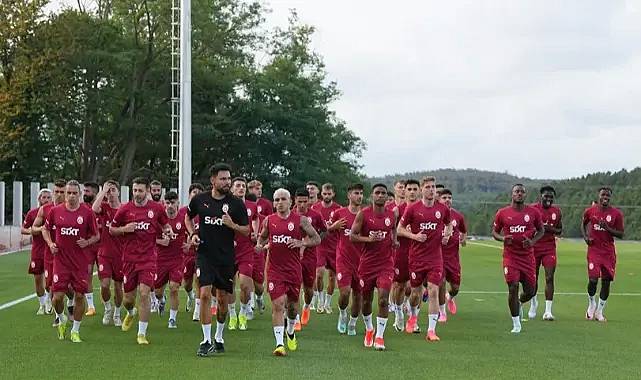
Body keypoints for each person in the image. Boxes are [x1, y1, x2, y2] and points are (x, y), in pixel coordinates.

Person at [185, 163, 249, 357]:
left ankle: (219, 337)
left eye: (229, 178)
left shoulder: (236, 204)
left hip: (226, 258)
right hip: (204, 255)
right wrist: (192, 234)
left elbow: (246, 231)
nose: (227, 182)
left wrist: (232, 225)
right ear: (212, 180)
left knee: (223, 300)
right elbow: (188, 218)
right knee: (204, 294)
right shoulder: (199, 200)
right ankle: (205, 340)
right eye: (223, 178)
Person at [255, 188, 321, 356]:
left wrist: (302, 243)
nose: (279, 203)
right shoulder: (269, 221)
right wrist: (259, 245)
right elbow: (262, 237)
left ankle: (290, 331)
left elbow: (317, 238)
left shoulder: (301, 220)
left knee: (292, 308)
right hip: (275, 270)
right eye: (276, 200)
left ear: (290, 201)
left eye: (283, 199)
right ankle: (279, 344)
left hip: (293, 270)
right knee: (278, 305)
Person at [109, 177, 174, 345]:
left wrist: (168, 231)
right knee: (128, 299)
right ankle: (131, 313)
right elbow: (112, 230)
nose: (137, 194)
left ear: (147, 191)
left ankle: (141, 333)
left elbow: (165, 225)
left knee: (144, 294)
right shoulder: (125, 209)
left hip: (148, 259)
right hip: (129, 259)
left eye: (140, 190)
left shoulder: (157, 208)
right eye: (135, 190)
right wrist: (124, 229)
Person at [42, 180, 100, 343]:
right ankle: (61, 318)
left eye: (75, 193)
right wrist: (50, 243)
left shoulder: (87, 213)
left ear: (80, 194)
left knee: (80, 296)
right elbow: (45, 229)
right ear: (64, 194)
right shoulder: (55, 211)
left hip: (80, 262)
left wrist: (87, 242)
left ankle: (75, 330)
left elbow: (96, 236)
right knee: (57, 297)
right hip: (61, 261)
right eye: (69, 193)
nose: (72, 196)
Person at [397, 177, 452, 341]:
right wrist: (414, 236)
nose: (431, 190)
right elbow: (399, 230)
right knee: (415, 294)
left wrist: (447, 234)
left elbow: (449, 224)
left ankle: (431, 331)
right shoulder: (413, 209)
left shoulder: (442, 209)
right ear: (422, 189)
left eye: (433, 187)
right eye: (427, 187)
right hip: (416, 258)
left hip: (435, 258)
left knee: (434, 290)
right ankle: (412, 316)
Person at [350, 183, 398, 351]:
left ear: (386, 196)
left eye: (383, 193)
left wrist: (395, 241)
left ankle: (379, 336)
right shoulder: (363, 214)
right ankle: (369, 329)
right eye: (377, 192)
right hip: (367, 264)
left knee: (384, 299)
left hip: (386, 264)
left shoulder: (392, 214)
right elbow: (352, 236)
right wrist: (369, 240)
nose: (380, 195)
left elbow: (393, 230)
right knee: (366, 301)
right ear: (372, 196)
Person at [492, 184, 544, 333]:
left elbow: (541, 230)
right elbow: (494, 232)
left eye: (522, 192)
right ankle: (516, 324)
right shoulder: (502, 213)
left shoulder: (533, 213)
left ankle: (520, 302)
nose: (519, 194)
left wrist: (532, 242)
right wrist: (503, 239)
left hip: (527, 258)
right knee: (513, 287)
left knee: (530, 291)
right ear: (512, 194)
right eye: (516, 191)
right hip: (510, 257)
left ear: (525, 195)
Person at [580, 187, 624, 322]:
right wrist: (586, 237)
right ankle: (591, 303)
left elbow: (621, 234)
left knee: (606, 282)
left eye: (608, 195)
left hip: (608, 252)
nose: (605, 197)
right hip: (594, 249)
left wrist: (608, 228)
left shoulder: (616, 214)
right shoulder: (591, 211)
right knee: (593, 280)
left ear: (610, 197)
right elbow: (583, 224)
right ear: (598, 196)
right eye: (603, 194)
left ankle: (599, 311)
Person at [31, 179, 68, 326]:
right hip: (50, 254)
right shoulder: (45, 209)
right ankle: (59, 315)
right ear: (53, 192)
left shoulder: (74, 209)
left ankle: (70, 302)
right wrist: (43, 229)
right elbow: (34, 228)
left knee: (70, 288)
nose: (59, 195)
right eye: (56, 192)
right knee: (51, 286)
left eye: (62, 192)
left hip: (69, 255)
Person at [329, 183, 364, 335]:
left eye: (361, 193)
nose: (359, 196)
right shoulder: (339, 213)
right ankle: (343, 313)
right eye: (356, 193)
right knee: (344, 293)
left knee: (358, 296)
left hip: (362, 261)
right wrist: (333, 227)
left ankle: (353, 322)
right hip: (343, 259)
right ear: (349, 195)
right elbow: (327, 232)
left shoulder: (366, 214)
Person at [227, 177, 260, 330]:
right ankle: (232, 315)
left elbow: (255, 220)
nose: (241, 188)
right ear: (232, 189)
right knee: (229, 285)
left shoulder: (252, 206)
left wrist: (256, 233)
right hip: (228, 249)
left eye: (243, 186)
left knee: (245, 285)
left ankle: (243, 312)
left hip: (246, 250)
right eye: (238, 186)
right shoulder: (226, 205)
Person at [92, 180, 124, 326]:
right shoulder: (104, 208)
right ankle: (107, 308)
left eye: (112, 190)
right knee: (104, 284)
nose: (110, 194)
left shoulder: (124, 209)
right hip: (104, 253)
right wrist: (103, 192)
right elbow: (94, 208)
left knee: (118, 286)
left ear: (118, 192)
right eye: (108, 191)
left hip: (120, 254)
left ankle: (117, 312)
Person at [153, 191, 188, 328]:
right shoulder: (158, 221)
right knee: (157, 292)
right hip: (160, 260)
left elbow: (191, 233)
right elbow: (150, 239)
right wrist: (162, 242)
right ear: (163, 204)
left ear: (178, 203)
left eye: (173, 203)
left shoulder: (183, 218)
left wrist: (188, 244)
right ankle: (161, 301)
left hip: (177, 259)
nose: (170, 206)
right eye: (167, 203)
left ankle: (172, 319)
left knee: (174, 288)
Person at [292, 189, 325, 330]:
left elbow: (324, 230)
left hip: (310, 256)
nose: (302, 205)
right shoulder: (290, 215)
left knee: (309, 289)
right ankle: (296, 318)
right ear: (295, 200)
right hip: (293, 256)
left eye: (305, 201)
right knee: (295, 287)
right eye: (299, 201)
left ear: (309, 201)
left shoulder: (315, 215)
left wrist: (311, 242)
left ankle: (306, 306)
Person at [528, 186, 562, 321]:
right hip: (534, 248)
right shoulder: (532, 209)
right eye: (546, 196)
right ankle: (533, 303)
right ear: (540, 196)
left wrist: (550, 229)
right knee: (533, 278)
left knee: (549, 277)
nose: (548, 199)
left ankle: (548, 311)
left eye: (551, 197)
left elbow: (559, 230)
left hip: (549, 248)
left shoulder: (557, 211)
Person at [390, 179, 419, 331]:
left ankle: (413, 319)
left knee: (415, 287)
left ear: (419, 191)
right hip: (401, 252)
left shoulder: (424, 210)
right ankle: (398, 313)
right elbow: (391, 231)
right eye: (409, 189)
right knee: (399, 286)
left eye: (415, 189)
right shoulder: (397, 211)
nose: (412, 192)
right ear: (404, 191)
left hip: (419, 253)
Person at [21, 189, 53, 315]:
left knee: (49, 280)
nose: (45, 200)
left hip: (50, 250)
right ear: (39, 199)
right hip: (37, 251)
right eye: (43, 197)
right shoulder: (33, 213)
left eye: (48, 197)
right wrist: (36, 230)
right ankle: (42, 304)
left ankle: (50, 301)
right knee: (38, 279)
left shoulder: (54, 212)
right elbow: (23, 229)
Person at [311, 183, 341, 313]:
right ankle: (320, 302)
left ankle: (328, 303)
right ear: (321, 194)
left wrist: (333, 227)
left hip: (334, 246)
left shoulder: (339, 209)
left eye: (329, 194)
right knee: (319, 274)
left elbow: (342, 226)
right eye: (324, 193)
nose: (326, 196)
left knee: (332, 277)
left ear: (333, 194)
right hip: (320, 246)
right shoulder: (315, 208)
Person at [438, 189, 467, 322]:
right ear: (439, 199)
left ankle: (449, 297)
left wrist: (463, 239)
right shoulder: (435, 214)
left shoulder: (458, 216)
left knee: (455, 288)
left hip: (454, 259)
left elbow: (464, 230)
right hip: (438, 257)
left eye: (449, 197)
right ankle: (442, 312)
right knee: (441, 282)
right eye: (444, 197)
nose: (447, 199)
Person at [181, 183, 204, 320]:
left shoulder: (206, 211)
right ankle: (190, 296)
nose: (197, 194)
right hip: (187, 254)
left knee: (199, 278)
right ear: (189, 195)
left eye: (199, 192)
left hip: (202, 252)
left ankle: (197, 308)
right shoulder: (183, 212)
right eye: (194, 192)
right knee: (187, 282)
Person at [82, 181, 100, 316]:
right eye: (84, 191)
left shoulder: (102, 206)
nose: (84, 194)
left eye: (87, 191)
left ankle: (111, 306)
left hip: (104, 246)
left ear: (95, 193)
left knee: (107, 279)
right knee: (87, 274)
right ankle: (91, 306)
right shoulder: (81, 208)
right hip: (88, 247)